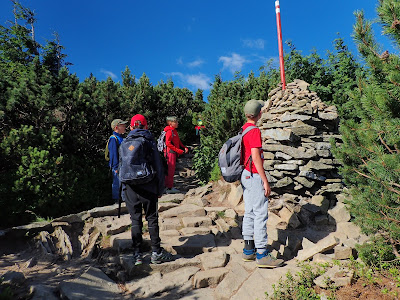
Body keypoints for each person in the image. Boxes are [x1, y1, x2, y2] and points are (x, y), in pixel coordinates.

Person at [121, 114, 173, 265]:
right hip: (148, 185)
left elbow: (121, 168)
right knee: (151, 219)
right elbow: (158, 166)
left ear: (131, 127)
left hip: (130, 187)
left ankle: (137, 254)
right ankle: (156, 252)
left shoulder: (124, 142)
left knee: (135, 220)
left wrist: (123, 190)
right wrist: (160, 188)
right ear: (146, 126)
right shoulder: (149, 142)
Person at [241, 100, 284, 268]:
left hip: (245, 174)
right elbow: (256, 157)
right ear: (259, 114)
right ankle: (262, 254)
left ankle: (248, 250)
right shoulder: (254, 131)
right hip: (254, 175)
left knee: (249, 212)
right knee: (260, 214)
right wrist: (265, 180)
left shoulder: (244, 129)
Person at [163, 116, 188, 194]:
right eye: (175, 122)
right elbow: (168, 143)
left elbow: (178, 141)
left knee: (171, 170)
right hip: (170, 153)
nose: (177, 123)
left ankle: (168, 186)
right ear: (170, 123)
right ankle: (169, 188)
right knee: (170, 170)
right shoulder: (170, 131)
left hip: (173, 152)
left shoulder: (174, 131)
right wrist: (179, 150)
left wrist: (184, 147)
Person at [108, 119, 127, 204]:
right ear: (116, 127)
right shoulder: (113, 138)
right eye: (122, 125)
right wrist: (115, 167)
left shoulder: (121, 137)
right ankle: (117, 200)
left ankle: (123, 198)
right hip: (117, 166)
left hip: (123, 165)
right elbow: (113, 154)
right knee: (117, 183)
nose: (124, 127)